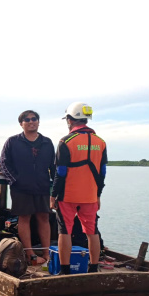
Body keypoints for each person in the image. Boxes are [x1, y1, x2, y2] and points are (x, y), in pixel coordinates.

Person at [50, 102, 107, 274]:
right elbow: (102, 173)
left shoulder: (65, 141)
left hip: (68, 195)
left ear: (70, 119)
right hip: (90, 196)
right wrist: (98, 194)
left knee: (64, 231)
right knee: (92, 232)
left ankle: (65, 271)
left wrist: (53, 195)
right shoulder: (101, 142)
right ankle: (93, 268)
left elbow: (60, 172)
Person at [0, 110, 55, 265]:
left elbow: (54, 167)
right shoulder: (12, 141)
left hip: (42, 186)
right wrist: (14, 181)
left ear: (38, 122)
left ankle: (47, 253)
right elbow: (4, 163)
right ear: (21, 124)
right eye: (27, 119)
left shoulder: (47, 142)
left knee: (44, 218)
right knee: (24, 218)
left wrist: (56, 189)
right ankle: (30, 255)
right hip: (21, 188)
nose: (31, 121)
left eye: (34, 119)